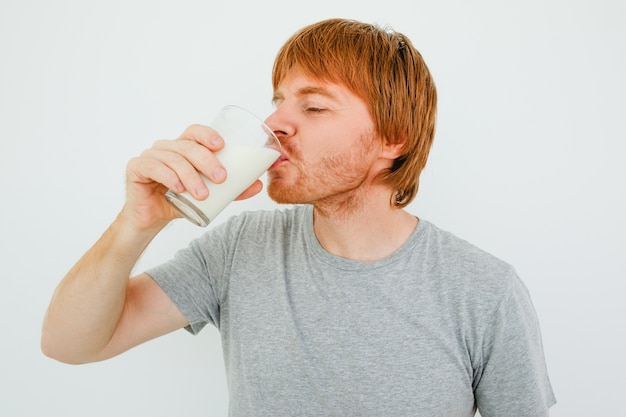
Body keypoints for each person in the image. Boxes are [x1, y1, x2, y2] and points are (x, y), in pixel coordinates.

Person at [41, 18, 556, 416]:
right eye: (279, 101)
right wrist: (137, 222)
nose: (275, 123)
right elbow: (69, 344)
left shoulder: (484, 290)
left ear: (391, 139)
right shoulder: (240, 246)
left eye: (313, 108)